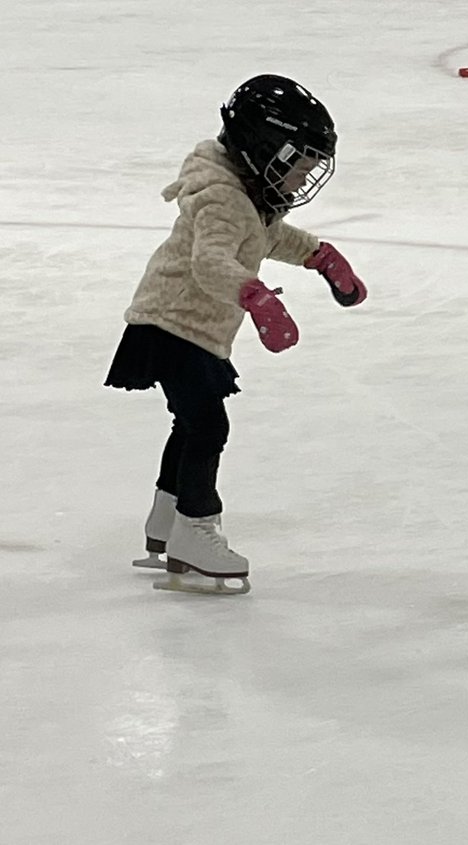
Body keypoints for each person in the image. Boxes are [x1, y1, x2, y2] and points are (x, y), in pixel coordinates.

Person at [104, 75, 368, 595]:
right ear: (263, 148)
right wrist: (256, 296)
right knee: (207, 427)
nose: (300, 180)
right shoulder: (223, 199)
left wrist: (319, 255)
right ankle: (196, 530)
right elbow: (211, 263)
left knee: (191, 424)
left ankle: (167, 521)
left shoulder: (245, 194)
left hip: (188, 326)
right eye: (297, 164)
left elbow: (266, 235)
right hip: (174, 323)